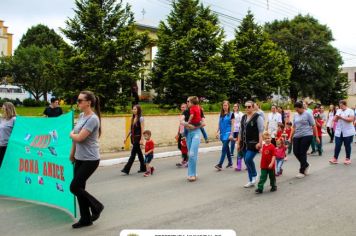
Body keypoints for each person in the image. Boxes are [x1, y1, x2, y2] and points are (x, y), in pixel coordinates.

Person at [69, 91, 104, 228]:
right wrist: (72, 154)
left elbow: (79, 137)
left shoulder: (93, 119)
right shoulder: (82, 115)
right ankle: (85, 219)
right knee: (80, 188)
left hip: (91, 159)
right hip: (80, 158)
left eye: (80, 100)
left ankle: (97, 206)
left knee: (74, 187)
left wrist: (70, 134)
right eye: (77, 100)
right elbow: (76, 140)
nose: (78, 103)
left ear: (88, 102)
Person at [289, 101, 319, 179]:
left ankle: (302, 171)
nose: (297, 111)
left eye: (298, 109)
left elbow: (314, 126)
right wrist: (290, 137)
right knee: (296, 152)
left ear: (301, 108)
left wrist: (317, 137)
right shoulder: (295, 115)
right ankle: (306, 164)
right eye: (295, 110)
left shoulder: (308, 114)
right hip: (297, 135)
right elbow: (294, 127)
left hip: (307, 135)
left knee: (302, 152)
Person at [237, 101, 264, 188]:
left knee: (248, 159)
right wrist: (238, 143)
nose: (247, 108)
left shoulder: (258, 117)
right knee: (246, 161)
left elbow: (261, 131)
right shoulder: (244, 117)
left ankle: (255, 174)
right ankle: (251, 180)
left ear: (253, 107)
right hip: (244, 143)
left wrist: (260, 143)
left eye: (249, 107)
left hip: (254, 143)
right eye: (246, 107)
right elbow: (240, 131)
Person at [182, 96, 203, 182]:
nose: (187, 103)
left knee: (192, 154)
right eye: (186, 101)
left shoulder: (199, 109)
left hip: (196, 133)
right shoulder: (186, 111)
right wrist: (187, 124)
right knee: (191, 155)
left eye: (188, 101)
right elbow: (181, 121)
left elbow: (203, 123)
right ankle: (192, 174)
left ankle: (192, 175)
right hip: (188, 135)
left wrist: (193, 127)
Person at [121, 105, 146, 174]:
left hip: (138, 138)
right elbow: (130, 130)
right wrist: (126, 138)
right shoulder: (132, 118)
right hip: (133, 138)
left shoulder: (141, 118)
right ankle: (143, 167)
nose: (134, 110)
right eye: (133, 109)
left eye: (135, 109)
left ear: (138, 110)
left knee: (133, 154)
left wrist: (142, 139)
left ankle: (126, 169)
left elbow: (142, 129)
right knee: (139, 154)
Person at [329, 100, 355, 165]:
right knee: (337, 145)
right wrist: (336, 117)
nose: (340, 107)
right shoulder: (338, 110)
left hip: (348, 131)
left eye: (342, 105)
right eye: (339, 105)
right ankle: (335, 158)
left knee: (347, 145)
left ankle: (348, 159)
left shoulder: (350, 111)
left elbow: (351, 119)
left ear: (345, 105)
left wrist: (341, 117)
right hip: (339, 131)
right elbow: (334, 119)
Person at [215, 101, 235, 170]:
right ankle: (230, 163)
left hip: (228, 133)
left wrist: (231, 134)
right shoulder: (221, 114)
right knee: (226, 149)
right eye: (224, 105)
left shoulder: (231, 114)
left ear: (228, 106)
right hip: (222, 134)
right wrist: (217, 132)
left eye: (226, 105)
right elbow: (219, 124)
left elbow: (232, 125)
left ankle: (220, 164)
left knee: (224, 149)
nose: (225, 107)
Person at [0, 102, 16, 168]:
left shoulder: (14, 119)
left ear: (8, 109)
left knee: (7, 166)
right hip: (0, 145)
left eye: (4, 108)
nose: (2, 110)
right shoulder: (2, 119)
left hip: (8, 147)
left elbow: (18, 133)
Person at [230, 103, 244, 171]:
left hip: (239, 130)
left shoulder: (240, 113)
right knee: (232, 141)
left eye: (236, 106)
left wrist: (240, 128)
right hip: (233, 130)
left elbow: (242, 122)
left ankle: (245, 164)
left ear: (238, 107)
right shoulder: (231, 113)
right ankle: (231, 153)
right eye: (234, 106)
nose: (235, 107)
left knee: (240, 146)